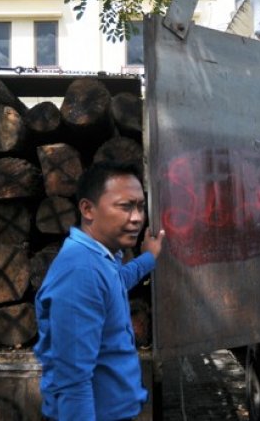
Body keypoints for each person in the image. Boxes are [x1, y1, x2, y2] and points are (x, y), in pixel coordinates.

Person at [34, 160, 165, 421]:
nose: (137, 218)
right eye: (125, 207)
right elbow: (73, 383)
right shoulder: (80, 272)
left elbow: (115, 283)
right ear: (88, 209)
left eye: (140, 206)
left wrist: (148, 258)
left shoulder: (99, 258)